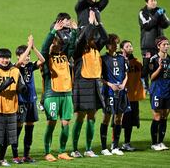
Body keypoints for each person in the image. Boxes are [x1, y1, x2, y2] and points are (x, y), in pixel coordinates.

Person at [71, 11, 108, 158]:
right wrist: (90, 24)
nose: (92, 37)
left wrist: (97, 24)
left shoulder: (95, 48)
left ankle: (88, 148)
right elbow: (80, 41)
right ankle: (74, 149)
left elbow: (105, 37)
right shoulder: (78, 50)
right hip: (82, 83)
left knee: (92, 117)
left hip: (94, 84)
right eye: (89, 35)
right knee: (80, 117)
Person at [41, 14, 77, 162]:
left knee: (66, 123)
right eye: (53, 42)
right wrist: (52, 32)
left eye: (57, 42)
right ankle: (47, 152)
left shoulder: (65, 55)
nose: (55, 44)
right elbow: (44, 48)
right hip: (52, 93)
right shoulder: (45, 58)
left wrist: (74, 32)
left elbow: (72, 45)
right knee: (51, 122)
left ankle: (62, 151)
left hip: (67, 93)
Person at [0, 48, 26, 167]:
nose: (5, 60)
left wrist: (22, 89)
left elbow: (21, 85)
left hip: (11, 108)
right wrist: (8, 82)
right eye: (2, 58)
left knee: (7, 137)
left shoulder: (15, 70)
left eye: (7, 58)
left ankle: (2, 159)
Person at [11, 34, 45, 164]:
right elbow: (20, 62)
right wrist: (29, 46)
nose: (28, 58)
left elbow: (42, 60)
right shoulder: (16, 66)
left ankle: (26, 155)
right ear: (18, 56)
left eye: (29, 55)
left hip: (32, 101)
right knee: (18, 128)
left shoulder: (31, 66)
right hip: (21, 101)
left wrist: (33, 47)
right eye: (26, 55)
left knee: (29, 128)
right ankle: (15, 156)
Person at [99, 34, 129, 156]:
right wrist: (110, 84)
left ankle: (115, 146)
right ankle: (103, 147)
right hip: (109, 92)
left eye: (117, 43)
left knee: (118, 118)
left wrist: (123, 84)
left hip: (121, 92)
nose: (115, 45)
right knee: (107, 117)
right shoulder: (103, 59)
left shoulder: (122, 59)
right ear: (107, 45)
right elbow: (99, 77)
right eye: (113, 43)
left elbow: (126, 74)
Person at [139, 0, 170, 91]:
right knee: (147, 65)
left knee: (159, 64)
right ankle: (144, 85)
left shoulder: (159, 11)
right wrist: (157, 15)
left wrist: (163, 17)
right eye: (152, 0)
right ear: (146, 2)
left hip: (159, 44)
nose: (154, 2)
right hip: (147, 45)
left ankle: (157, 85)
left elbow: (166, 25)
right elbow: (147, 26)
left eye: (155, 0)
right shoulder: (142, 12)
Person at [120, 40, 146, 151]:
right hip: (122, 96)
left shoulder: (136, 62)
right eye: (127, 46)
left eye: (131, 46)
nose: (130, 47)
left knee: (130, 122)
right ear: (122, 49)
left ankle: (126, 143)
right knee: (118, 121)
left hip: (133, 97)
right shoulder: (119, 61)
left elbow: (144, 73)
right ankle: (114, 143)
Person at [148, 36, 170, 151]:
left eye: (168, 44)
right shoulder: (153, 59)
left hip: (167, 91)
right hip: (157, 91)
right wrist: (160, 67)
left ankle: (161, 142)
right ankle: (154, 143)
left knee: (164, 116)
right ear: (158, 46)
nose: (166, 46)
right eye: (164, 45)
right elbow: (151, 77)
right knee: (157, 116)